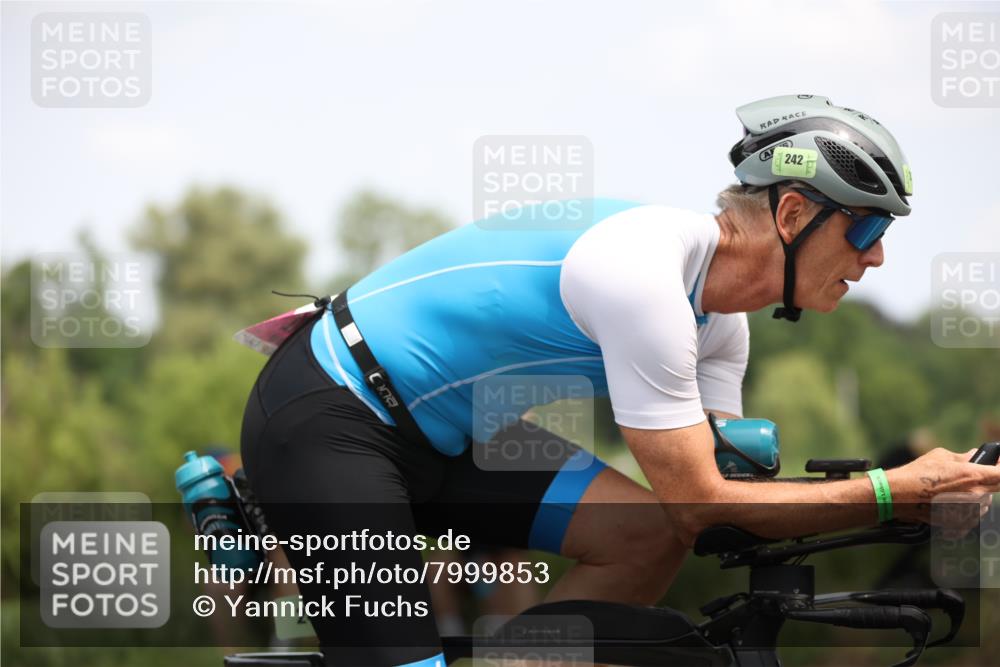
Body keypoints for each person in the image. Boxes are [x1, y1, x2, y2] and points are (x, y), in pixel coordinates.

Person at [239, 94, 1000, 667]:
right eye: (866, 229)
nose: (875, 259)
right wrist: (891, 488)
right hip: (330, 417)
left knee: (644, 534)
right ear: (794, 213)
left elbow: (718, 508)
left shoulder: (720, 325)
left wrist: (914, 503)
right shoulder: (645, 277)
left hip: (451, 430)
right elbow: (703, 502)